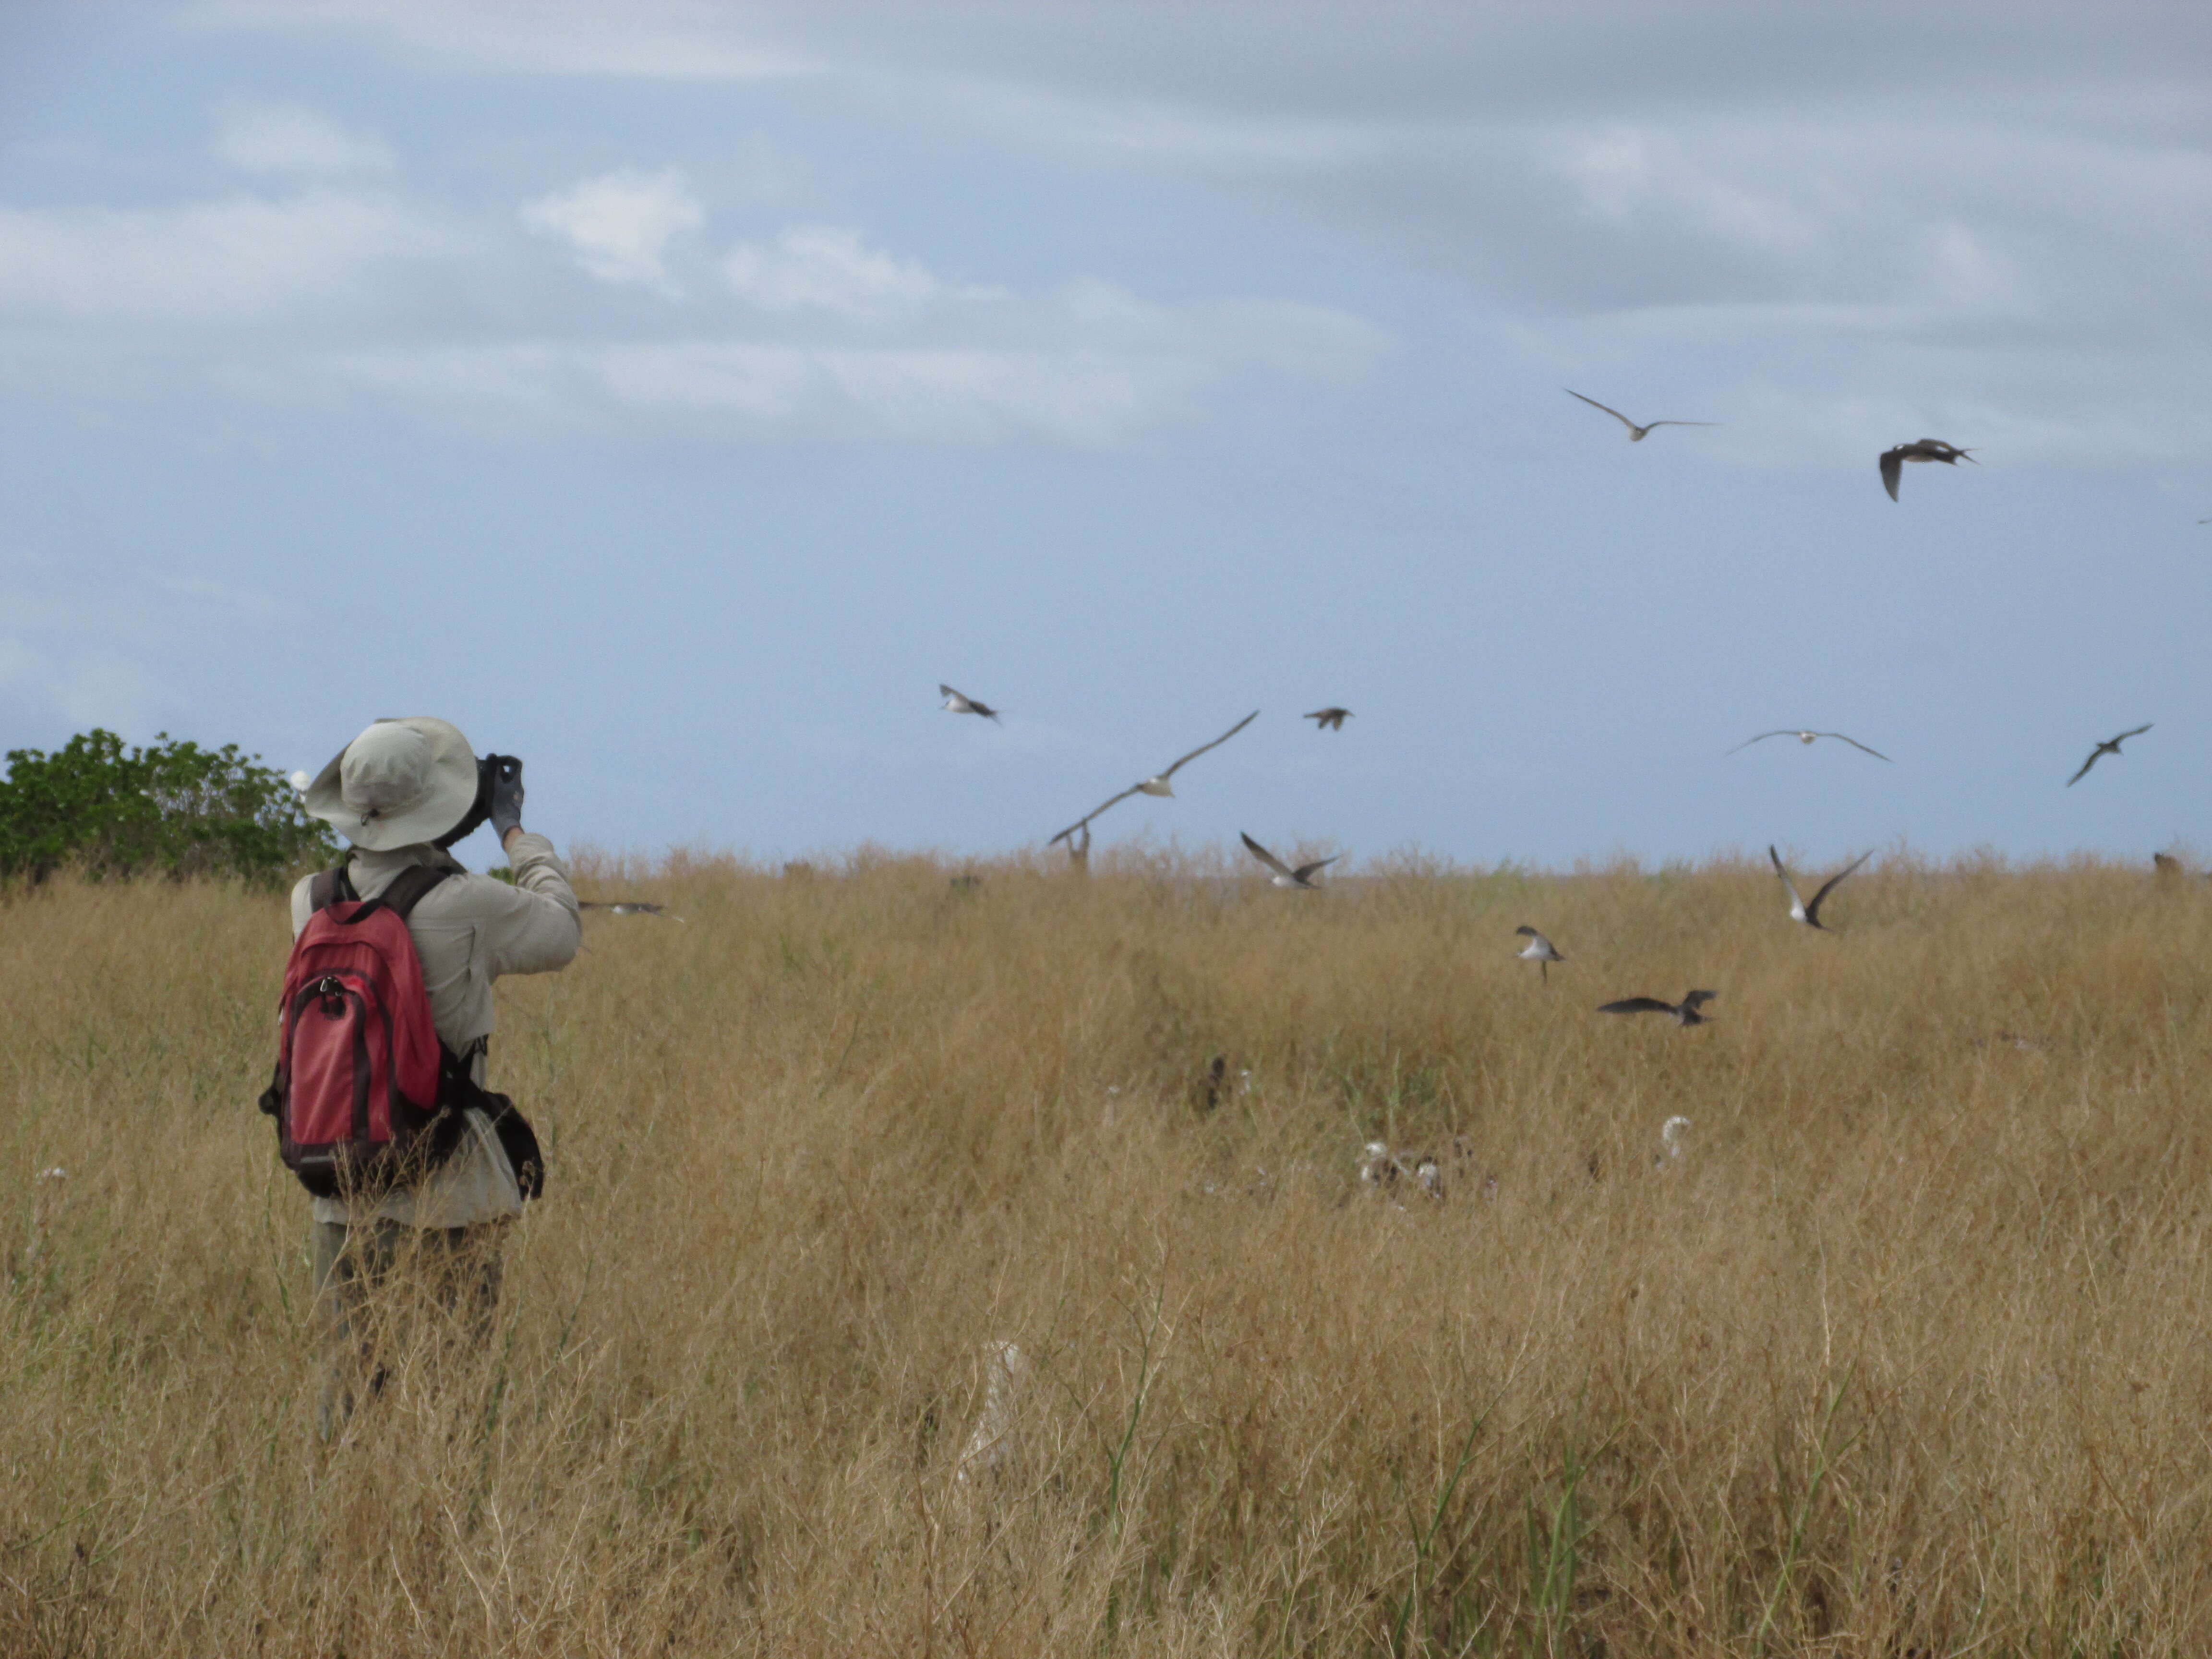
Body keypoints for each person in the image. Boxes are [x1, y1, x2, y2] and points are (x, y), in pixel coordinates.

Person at [291, 716, 580, 1436]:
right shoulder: (469, 903)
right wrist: (514, 832)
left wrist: (431, 833)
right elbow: (560, 932)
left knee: (348, 1401)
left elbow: (391, 884)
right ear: (444, 805)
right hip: (449, 1187)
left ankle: (342, 1535)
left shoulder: (311, 899)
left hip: (341, 1179)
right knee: (450, 1400)